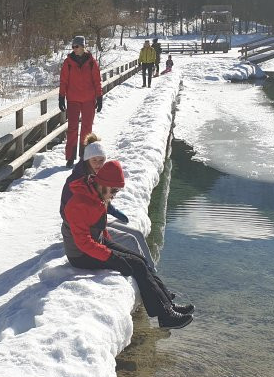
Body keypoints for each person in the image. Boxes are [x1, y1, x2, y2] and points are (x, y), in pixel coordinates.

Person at [62, 161, 193, 329]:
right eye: (114, 190)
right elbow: (83, 243)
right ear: (103, 184)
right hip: (80, 255)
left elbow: (98, 225)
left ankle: (167, 302)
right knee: (137, 265)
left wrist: (110, 245)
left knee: (140, 259)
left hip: (96, 241)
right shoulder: (77, 203)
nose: (115, 195)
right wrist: (112, 257)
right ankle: (165, 316)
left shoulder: (97, 193)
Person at [60, 135, 156, 270]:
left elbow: (100, 198)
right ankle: (147, 271)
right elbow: (71, 212)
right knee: (131, 239)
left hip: (97, 222)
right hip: (85, 229)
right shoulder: (76, 181)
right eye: (94, 160)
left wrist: (111, 210)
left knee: (136, 235)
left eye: (102, 160)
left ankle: (150, 271)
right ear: (87, 160)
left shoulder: (99, 176)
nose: (99, 164)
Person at [59, 35, 103, 168]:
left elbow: (97, 81)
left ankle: (84, 157)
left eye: (76, 46)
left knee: (87, 129)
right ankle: (70, 157)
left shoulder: (91, 62)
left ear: (83, 46)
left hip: (89, 100)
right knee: (72, 129)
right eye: (73, 47)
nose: (74, 49)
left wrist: (99, 97)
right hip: (73, 99)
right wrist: (61, 97)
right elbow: (63, 81)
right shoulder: (68, 62)